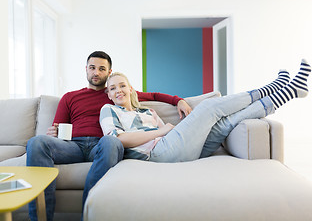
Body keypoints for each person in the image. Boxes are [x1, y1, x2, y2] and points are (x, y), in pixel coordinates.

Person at [26, 51, 192, 221]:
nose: (96, 72)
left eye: (101, 69)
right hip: (73, 146)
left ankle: (87, 214)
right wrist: (54, 132)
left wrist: (178, 100)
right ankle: (39, 218)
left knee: (111, 141)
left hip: (102, 145)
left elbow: (155, 96)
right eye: (92, 68)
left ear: (109, 72)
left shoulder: (115, 92)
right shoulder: (70, 97)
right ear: (86, 69)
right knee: (36, 143)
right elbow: (58, 128)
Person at [100, 60, 310, 163]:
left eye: (122, 85)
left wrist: (173, 129)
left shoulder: (146, 112)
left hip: (175, 146)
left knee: (225, 124)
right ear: (108, 94)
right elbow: (119, 139)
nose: (118, 90)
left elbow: (171, 131)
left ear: (130, 89)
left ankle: (289, 91)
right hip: (157, 155)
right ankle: (272, 88)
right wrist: (160, 132)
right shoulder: (108, 109)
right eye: (113, 88)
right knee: (209, 107)